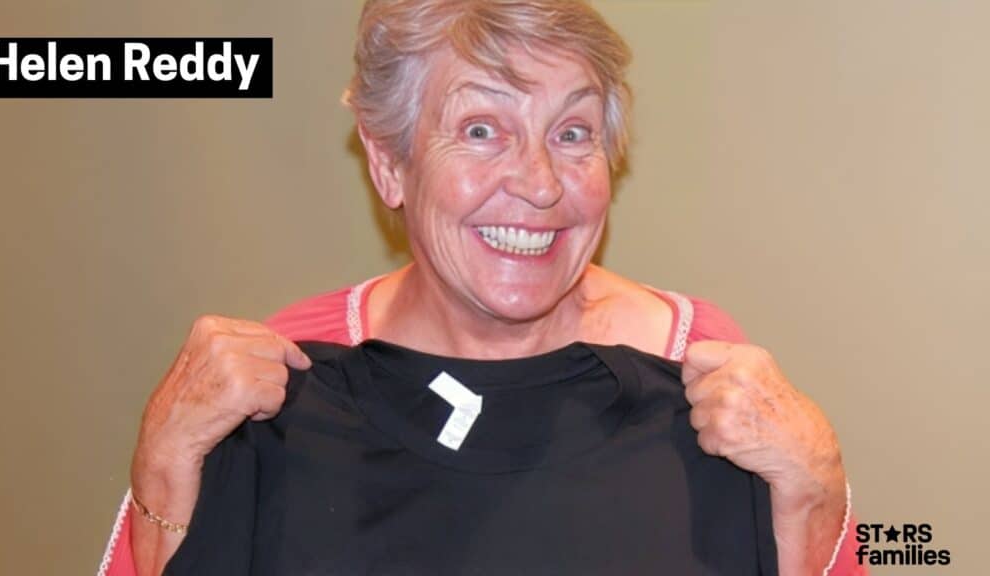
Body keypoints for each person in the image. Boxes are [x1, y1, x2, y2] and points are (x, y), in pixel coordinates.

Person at [98, 1, 865, 574]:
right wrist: (164, 466)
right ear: (389, 163)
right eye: (480, 130)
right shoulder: (285, 373)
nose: (537, 184)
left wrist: (819, 489)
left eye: (571, 134)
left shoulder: (708, 376)